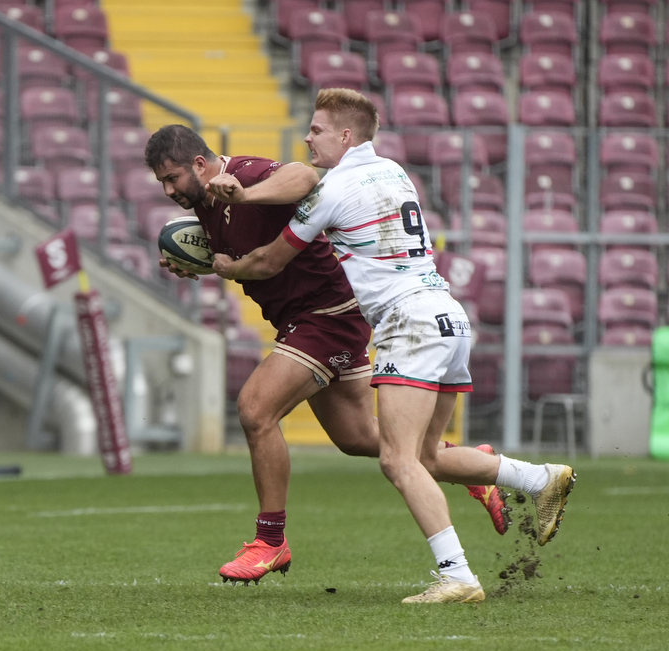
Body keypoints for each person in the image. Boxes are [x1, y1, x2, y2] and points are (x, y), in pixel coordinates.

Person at [201, 90, 574, 603]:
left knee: (398, 461)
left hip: (408, 322)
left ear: (345, 136)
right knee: (426, 456)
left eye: (317, 129)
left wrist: (227, 266)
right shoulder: (394, 171)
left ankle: (459, 577)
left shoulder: (333, 188)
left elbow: (269, 261)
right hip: (447, 315)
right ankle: (539, 478)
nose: (307, 138)